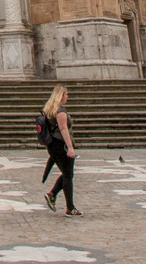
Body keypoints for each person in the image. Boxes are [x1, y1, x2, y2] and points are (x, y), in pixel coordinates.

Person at [39, 85, 81, 216]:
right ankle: (70, 207)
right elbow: (64, 129)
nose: (67, 96)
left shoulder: (49, 109)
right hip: (61, 145)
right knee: (68, 175)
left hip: (52, 146)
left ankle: (52, 194)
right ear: (60, 96)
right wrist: (70, 148)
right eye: (66, 94)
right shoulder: (61, 111)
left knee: (67, 174)